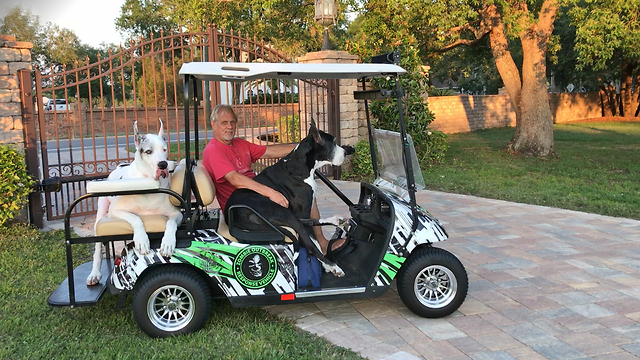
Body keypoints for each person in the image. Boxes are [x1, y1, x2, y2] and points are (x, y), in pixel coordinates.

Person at [202, 104, 345, 255]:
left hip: (259, 198)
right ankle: (313, 247)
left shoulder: (238, 144)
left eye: (232, 122)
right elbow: (235, 179)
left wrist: (307, 147)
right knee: (304, 194)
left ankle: (320, 243)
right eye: (224, 123)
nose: (230, 127)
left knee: (307, 190)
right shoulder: (214, 151)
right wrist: (270, 193)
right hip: (245, 209)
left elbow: (270, 152)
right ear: (213, 124)